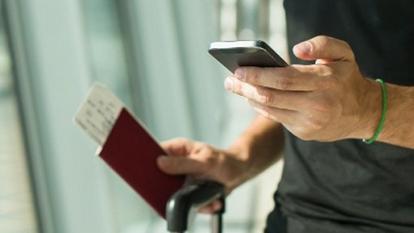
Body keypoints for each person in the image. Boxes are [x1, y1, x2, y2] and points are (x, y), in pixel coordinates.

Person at [157, 1, 414, 232]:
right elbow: (320, 96)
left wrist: (369, 108)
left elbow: (350, 102)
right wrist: (240, 159)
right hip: (295, 217)